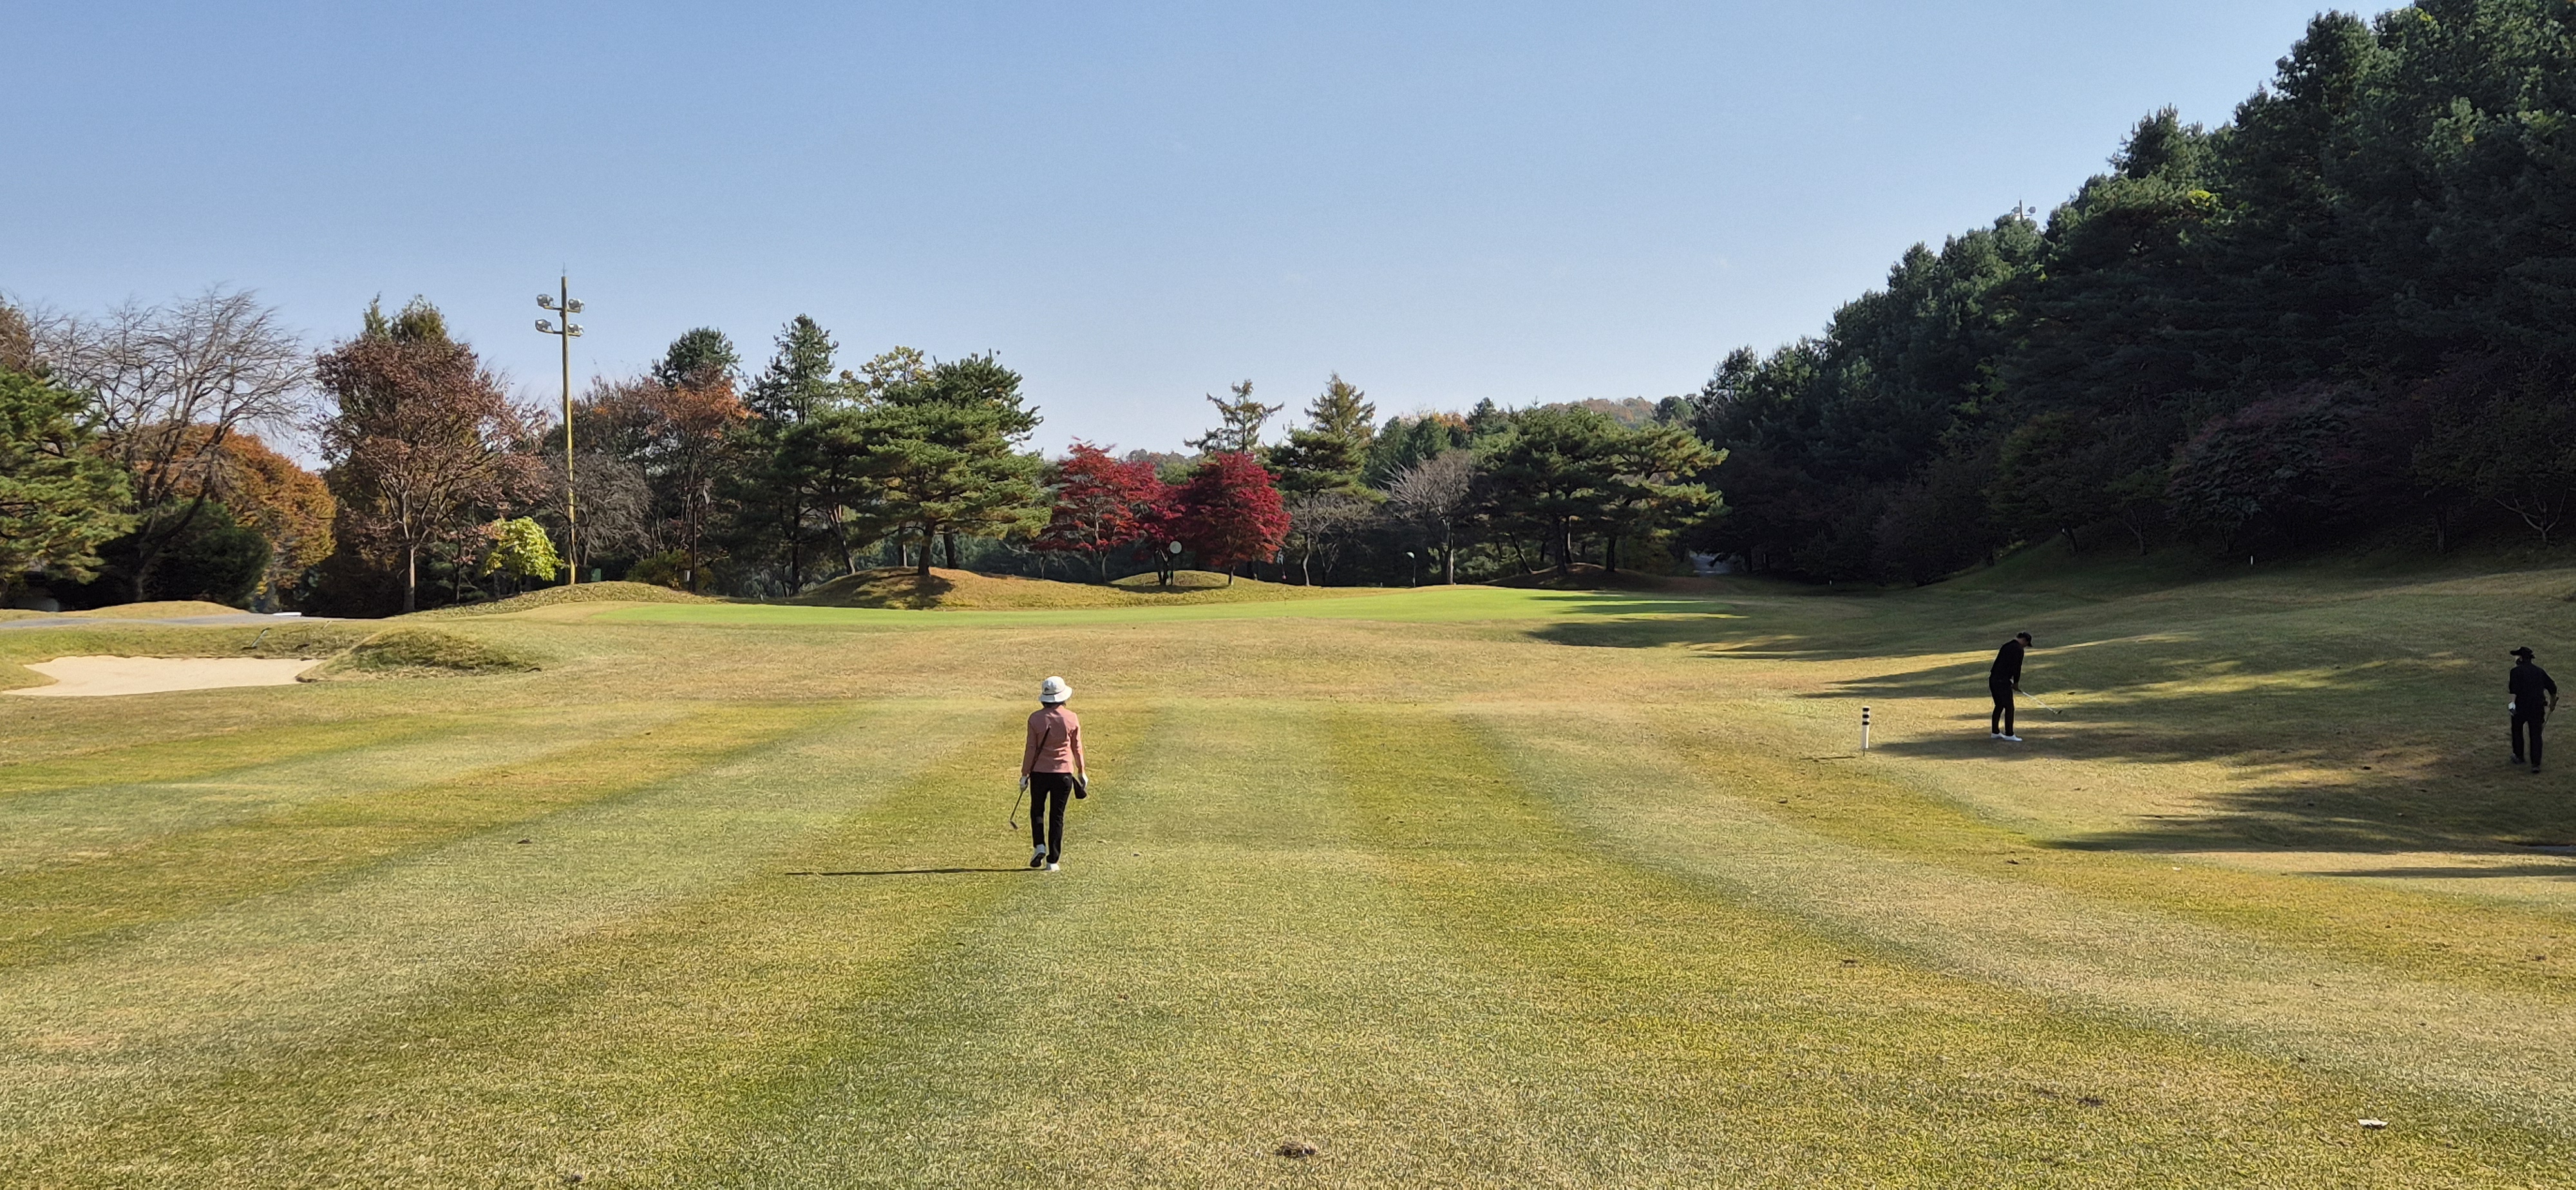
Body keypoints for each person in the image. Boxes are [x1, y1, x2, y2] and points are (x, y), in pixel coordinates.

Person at [1021, 675, 1088, 871]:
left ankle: (1039, 846)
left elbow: (1031, 748)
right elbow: (1077, 747)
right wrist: (1082, 771)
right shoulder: (1071, 718)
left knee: (1037, 811)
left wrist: (1025, 774)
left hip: (1040, 773)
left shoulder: (1035, 718)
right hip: (1064, 774)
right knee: (1057, 817)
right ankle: (1053, 861)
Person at [2509, 647, 2557, 773]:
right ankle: (2536, 764)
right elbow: (2553, 688)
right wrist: (2552, 703)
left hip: (2521, 707)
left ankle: (2519, 756)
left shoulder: (2515, 672)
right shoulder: (2539, 672)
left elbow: (2513, 691)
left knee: (2517, 730)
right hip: (2537, 708)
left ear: (2520, 658)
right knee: (2536, 735)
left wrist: (2512, 705)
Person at [1990, 632, 2032, 742]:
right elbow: (2017, 668)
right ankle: (2009, 734)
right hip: (2002, 681)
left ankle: (1995, 732)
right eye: (2026, 644)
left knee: (1999, 705)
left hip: (1994, 679)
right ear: (2024, 641)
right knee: (2009, 707)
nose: (2025, 647)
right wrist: (2016, 683)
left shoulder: (2007, 645)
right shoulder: (2018, 649)